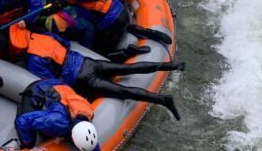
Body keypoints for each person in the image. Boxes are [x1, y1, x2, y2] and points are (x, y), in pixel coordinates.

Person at [10, 25, 185, 120]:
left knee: (123, 92)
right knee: (128, 68)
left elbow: (52, 81)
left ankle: (163, 100)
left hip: (82, 79)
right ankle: (172, 66)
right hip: (87, 62)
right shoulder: (42, 36)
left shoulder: (33, 61)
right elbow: (65, 43)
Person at [63, 0, 146, 56]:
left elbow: (88, 24)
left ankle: (128, 52)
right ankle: (143, 32)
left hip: (114, 21)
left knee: (100, 52)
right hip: (122, 10)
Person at [15, 78, 100, 151]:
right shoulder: (57, 122)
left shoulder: (88, 115)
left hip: (60, 87)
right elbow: (22, 121)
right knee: (29, 140)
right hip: (39, 89)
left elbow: (91, 143)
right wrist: (31, 146)